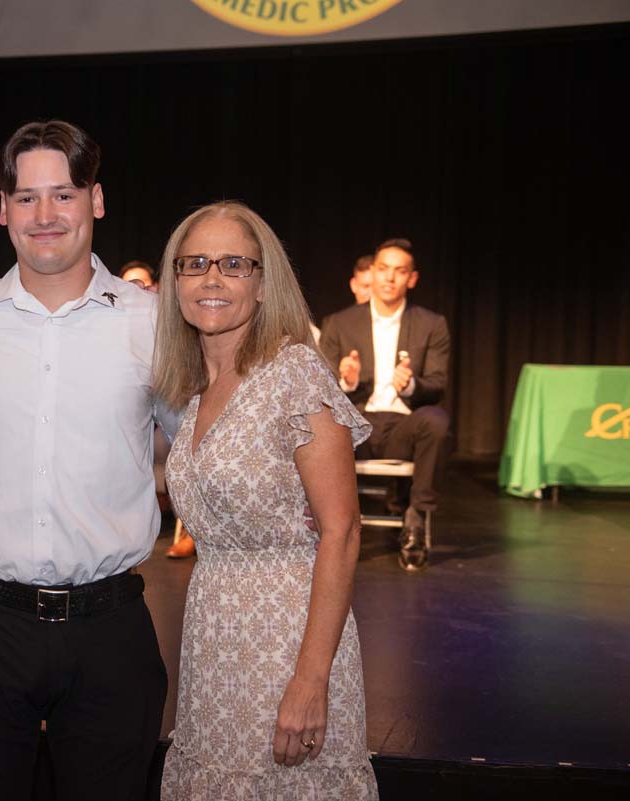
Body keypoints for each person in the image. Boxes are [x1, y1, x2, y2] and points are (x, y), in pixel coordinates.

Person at [0, 120, 169, 801]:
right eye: (26, 196)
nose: (44, 215)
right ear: (2, 208)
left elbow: (201, 441)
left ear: (96, 200)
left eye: (63, 194)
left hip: (111, 632)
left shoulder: (152, 323)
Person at [153, 201, 378, 800]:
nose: (212, 279)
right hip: (213, 641)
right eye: (194, 263)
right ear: (174, 279)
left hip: (288, 640)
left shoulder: (294, 373)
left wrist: (310, 680)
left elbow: (343, 531)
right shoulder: (193, 392)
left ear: (262, 282)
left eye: (233, 263)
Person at [319, 238, 451, 570]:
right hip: (356, 425)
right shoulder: (340, 322)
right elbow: (318, 390)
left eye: (399, 271)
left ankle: (415, 519)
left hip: (401, 427)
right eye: (383, 270)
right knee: (319, 424)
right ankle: (331, 527)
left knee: (436, 420)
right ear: (372, 274)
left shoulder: (431, 324)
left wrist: (411, 386)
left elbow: (437, 385)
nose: (390, 278)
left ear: (412, 279)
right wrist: (345, 381)